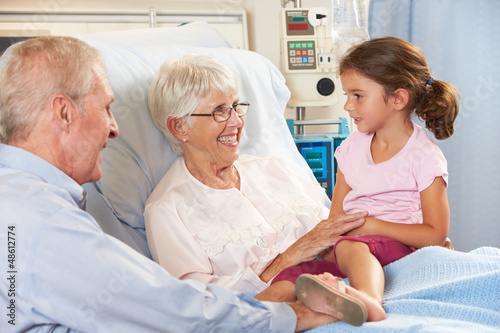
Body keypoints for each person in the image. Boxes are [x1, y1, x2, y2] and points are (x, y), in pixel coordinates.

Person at [0, 36, 353, 332]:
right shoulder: (41, 219)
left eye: (236, 106)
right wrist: (288, 313)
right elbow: (169, 307)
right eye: (106, 109)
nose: (114, 128)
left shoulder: (27, 202)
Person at [256, 36, 460, 325]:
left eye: (358, 95)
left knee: (350, 247)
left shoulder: (424, 157)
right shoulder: (352, 148)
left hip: (397, 248)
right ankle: (238, 316)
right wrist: (320, 248)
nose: (347, 106)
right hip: (352, 244)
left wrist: (371, 226)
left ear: (398, 99)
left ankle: (368, 300)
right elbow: (336, 218)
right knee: (292, 277)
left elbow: (436, 235)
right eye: (346, 95)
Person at [144, 54, 368, 296]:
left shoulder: (273, 168)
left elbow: (332, 231)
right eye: (219, 111)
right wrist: (288, 259)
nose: (237, 121)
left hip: (348, 280)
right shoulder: (167, 209)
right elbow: (198, 300)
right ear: (179, 127)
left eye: (236, 107)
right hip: (277, 312)